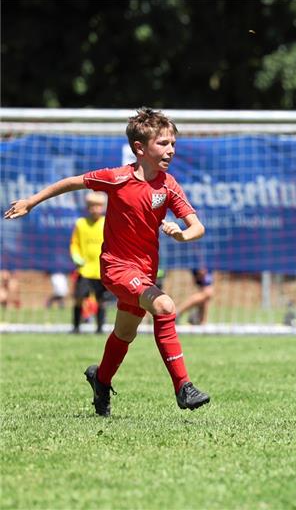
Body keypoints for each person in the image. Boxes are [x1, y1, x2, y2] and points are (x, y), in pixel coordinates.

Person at [4, 107, 210, 417]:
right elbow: (72, 182)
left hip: (144, 272)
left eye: (173, 144)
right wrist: (31, 202)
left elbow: (197, 226)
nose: (170, 150)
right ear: (139, 149)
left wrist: (182, 234)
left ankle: (100, 380)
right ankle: (184, 387)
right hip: (116, 268)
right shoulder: (117, 178)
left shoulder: (168, 185)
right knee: (165, 307)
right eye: (163, 143)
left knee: (125, 333)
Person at [70, 191, 110, 333]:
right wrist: (76, 256)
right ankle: (75, 327)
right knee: (79, 298)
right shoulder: (81, 224)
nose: (95, 208)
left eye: (98, 205)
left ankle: (99, 328)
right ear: (87, 207)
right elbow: (74, 243)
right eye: (92, 205)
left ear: (104, 207)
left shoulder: (107, 223)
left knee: (101, 300)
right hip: (85, 270)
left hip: (101, 271)